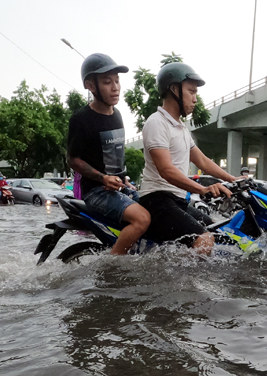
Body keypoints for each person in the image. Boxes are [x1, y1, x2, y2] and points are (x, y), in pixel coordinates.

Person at [139, 62, 237, 255]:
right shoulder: (157, 123)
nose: (195, 99)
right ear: (174, 89)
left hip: (177, 201)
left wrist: (233, 179)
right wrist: (203, 189)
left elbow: (202, 161)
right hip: (156, 200)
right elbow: (166, 170)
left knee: (219, 231)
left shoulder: (181, 127)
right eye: (191, 92)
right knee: (204, 239)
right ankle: (188, 285)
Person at [67, 53, 150, 255]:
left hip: (120, 188)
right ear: (90, 86)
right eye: (107, 82)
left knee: (157, 208)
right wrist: (102, 178)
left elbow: (116, 156)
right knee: (142, 218)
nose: (115, 87)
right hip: (96, 192)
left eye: (117, 80)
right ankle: (113, 266)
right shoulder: (81, 119)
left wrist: (124, 180)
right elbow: (73, 159)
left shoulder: (117, 115)